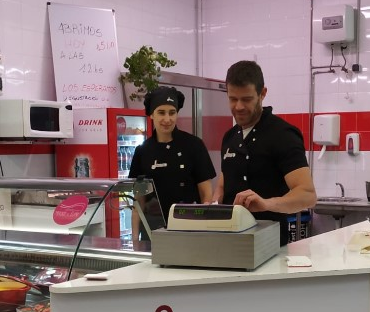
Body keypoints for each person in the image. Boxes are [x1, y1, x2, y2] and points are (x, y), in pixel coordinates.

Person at [213, 60, 317, 246]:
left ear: (262, 94)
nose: (238, 107)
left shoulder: (283, 134)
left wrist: (266, 204)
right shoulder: (230, 136)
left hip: (270, 244)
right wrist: (213, 205)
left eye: (246, 99)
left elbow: (307, 195)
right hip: (230, 242)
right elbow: (223, 182)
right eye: (233, 99)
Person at [128, 86, 216, 240]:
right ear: (151, 115)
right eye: (161, 112)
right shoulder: (142, 151)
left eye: (172, 112)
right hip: (152, 234)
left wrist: (205, 233)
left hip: (189, 231)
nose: (167, 119)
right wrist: (135, 241)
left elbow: (206, 195)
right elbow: (138, 204)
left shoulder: (194, 145)